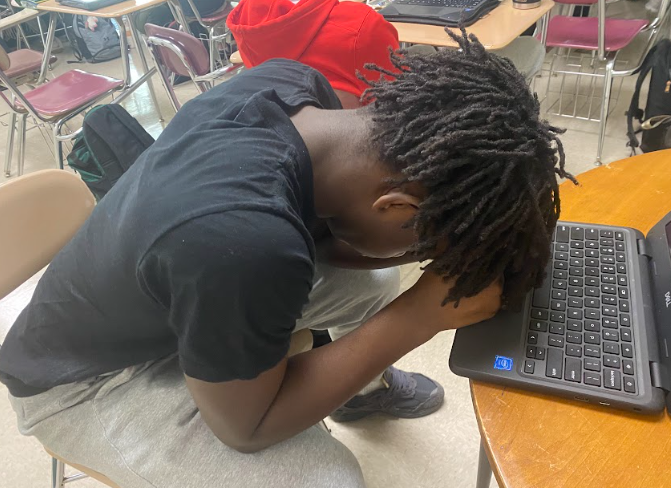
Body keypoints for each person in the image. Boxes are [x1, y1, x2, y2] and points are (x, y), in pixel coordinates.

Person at [0, 30, 574, 488]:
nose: (422, 259)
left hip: (169, 287)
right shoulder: (244, 244)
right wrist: (422, 312)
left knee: (373, 278)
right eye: (422, 244)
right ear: (396, 205)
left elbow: (319, 237)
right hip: (83, 382)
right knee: (328, 480)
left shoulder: (293, 88)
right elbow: (246, 428)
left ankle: (359, 392)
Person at [227, 0, 399, 109]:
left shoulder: (247, 22)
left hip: (284, 157)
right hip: (357, 159)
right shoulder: (361, 27)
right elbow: (401, 105)